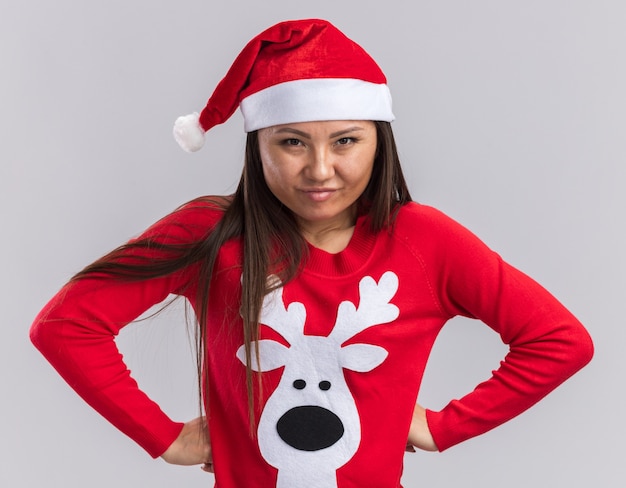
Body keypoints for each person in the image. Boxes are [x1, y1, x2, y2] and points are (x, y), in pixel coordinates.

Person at [30, 18, 593, 488]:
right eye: (292, 142)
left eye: (346, 140)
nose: (320, 170)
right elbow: (65, 324)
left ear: (379, 141)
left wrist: (444, 426)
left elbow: (560, 341)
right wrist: (165, 436)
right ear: (257, 146)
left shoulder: (425, 241)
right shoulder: (209, 232)